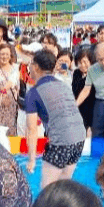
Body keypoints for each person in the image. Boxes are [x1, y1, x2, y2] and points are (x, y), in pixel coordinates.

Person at [24, 50, 87, 189]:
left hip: (61, 141)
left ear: (35, 67)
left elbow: (32, 130)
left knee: (47, 189)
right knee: (63, 185)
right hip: (79, 138)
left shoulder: (33, 93)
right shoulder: (63, 85)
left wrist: (31, 160)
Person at [0, 43, 20, 136]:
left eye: (7, 54)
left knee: (12, 138)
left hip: (13, 110)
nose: (4, 56)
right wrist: (0, 99)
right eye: (2, 54)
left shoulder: (16, 68)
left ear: (11, 55)